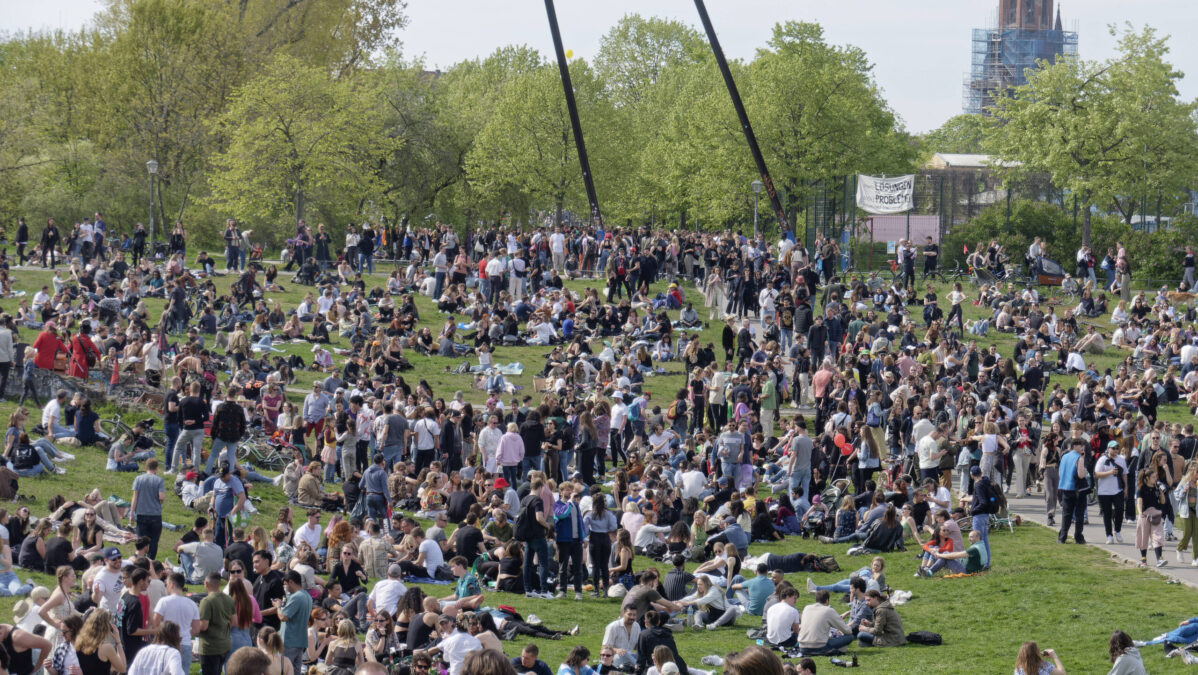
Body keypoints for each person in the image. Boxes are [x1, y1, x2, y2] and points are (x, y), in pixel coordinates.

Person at [153, 573, 201, 673]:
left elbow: (155, 624)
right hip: (185, 644)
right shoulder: (192, 604)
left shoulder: (164, 601)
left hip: (166, 644)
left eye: (166, 584)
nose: (166, 586)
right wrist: (186, 632)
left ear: (172, 584)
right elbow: (196, 630)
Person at [196, 572, 235, 675]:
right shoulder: (229, 599)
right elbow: (234, 621)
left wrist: (192, 626)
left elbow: (203, 626)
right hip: (224, 644)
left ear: (206, 584)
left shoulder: (206, 601)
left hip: (210, 647)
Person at [796, 590, 853, 654]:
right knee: (850, 636)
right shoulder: (828, 610)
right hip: (820, 646)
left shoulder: (807, 608)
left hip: (802, 647)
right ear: (827, 601)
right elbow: (847, 631)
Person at [129, 459, 165, 559]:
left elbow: (134, 497)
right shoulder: (159, 480)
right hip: (155, 515)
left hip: (141, 514)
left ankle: (140, 560)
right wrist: (161, 500)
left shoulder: (138, 479)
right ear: (156, 468)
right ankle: (151, 561)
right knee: (153, 541)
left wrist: (131, 514)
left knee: (141, 541)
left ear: (146, 467)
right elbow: (161, 497)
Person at [277, 570, 312, 675]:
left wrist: (278, 606)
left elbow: (283, 616)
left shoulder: (296, 597)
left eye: (285, 584)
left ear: (291, 582)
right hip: (300, 641)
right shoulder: (307, 596)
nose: (285, 587)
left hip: (289, 642)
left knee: (284, 671)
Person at [72, 609, 125, 675]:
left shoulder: (78, 642)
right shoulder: (106, 648)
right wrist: (118, 642)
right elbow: (122, 668)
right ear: (106, 627)